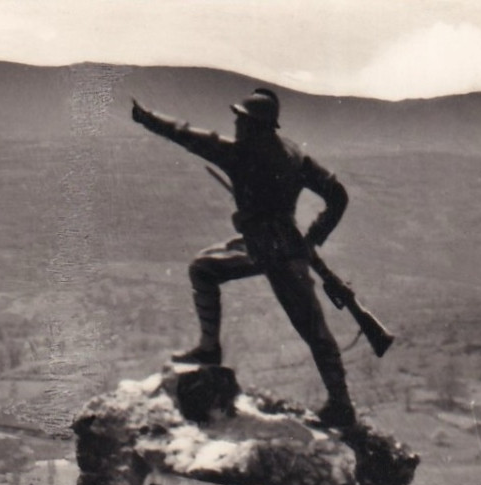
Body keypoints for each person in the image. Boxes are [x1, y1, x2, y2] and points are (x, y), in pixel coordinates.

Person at [129, 88, 358, 428]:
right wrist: (313, 238)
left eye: (242, 120)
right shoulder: (294, 155)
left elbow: (187, 135)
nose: (236, 124)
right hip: (280, 246)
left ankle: (341, 405)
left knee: (310, 326)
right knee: (205, 269)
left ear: (256, 125)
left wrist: (148, 119)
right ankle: (210, 350)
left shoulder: (240, 154)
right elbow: (337, 195)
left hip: (271, 252)